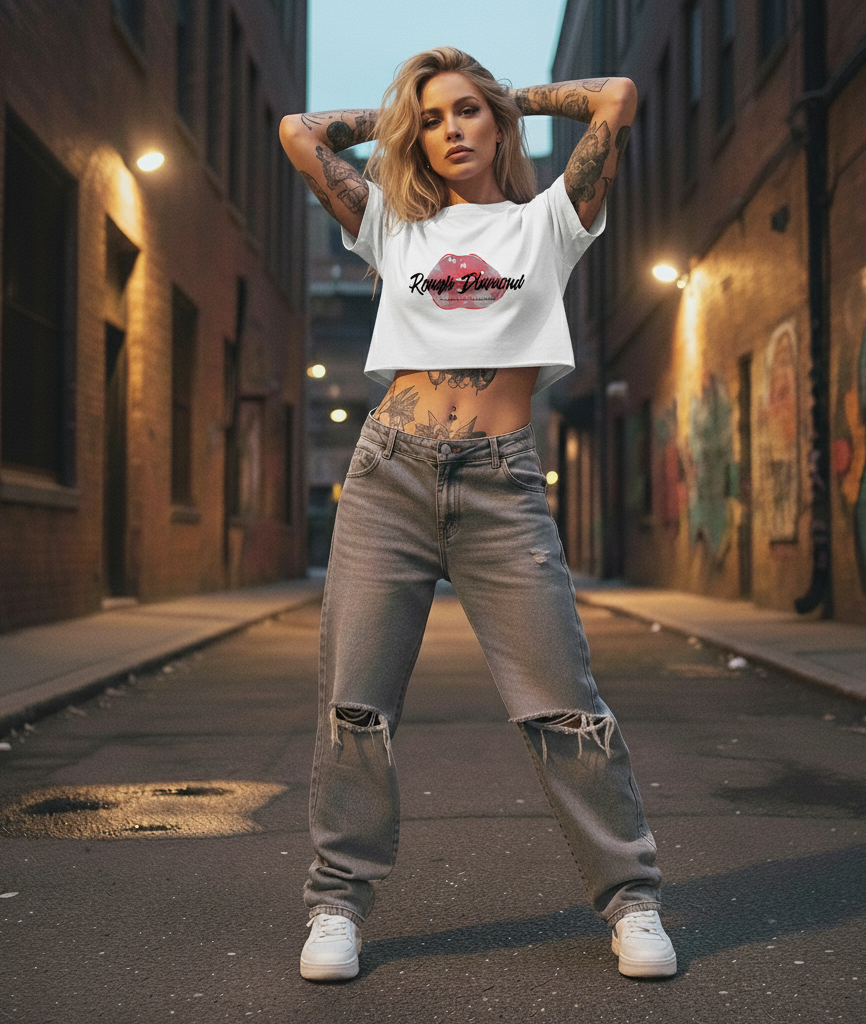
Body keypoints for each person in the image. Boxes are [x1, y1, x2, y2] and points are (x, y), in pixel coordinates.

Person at [279, 46, 676, 983]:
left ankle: (633, 901)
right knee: (356, 708)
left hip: (502, 487)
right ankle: (337, 903)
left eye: (467, 112)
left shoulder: (550, 223)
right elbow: (298, 134)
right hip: (390, 478)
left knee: (564, 709)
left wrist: (509, 93)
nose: (450, 130)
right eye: (431, 119)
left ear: (500, 123)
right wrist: (393, 119)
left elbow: (616, 98)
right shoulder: (392, 227)